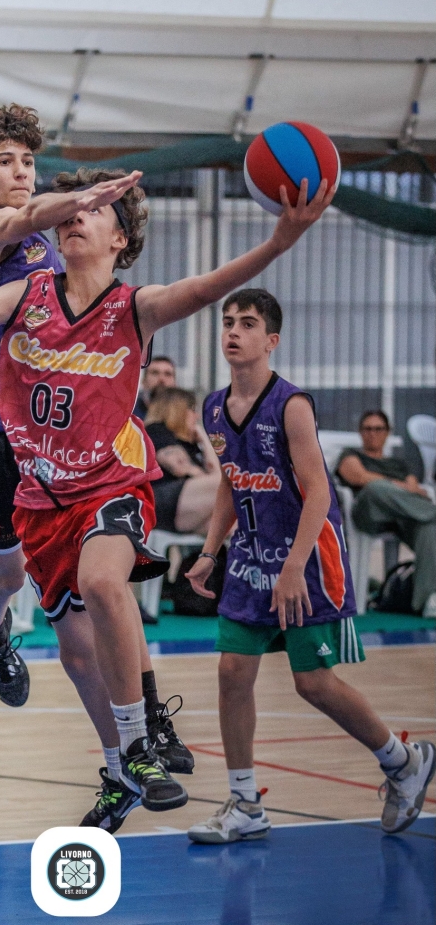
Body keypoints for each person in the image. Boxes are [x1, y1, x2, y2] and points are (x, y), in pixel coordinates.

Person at [0, 165, 335, 829]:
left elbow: (208, 286)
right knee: (77, 654)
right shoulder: (25, 293)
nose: (76, 216)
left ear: (120, 240)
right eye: (72, 209)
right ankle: (119, 769)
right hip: (40, 494)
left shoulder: (137, 307)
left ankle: (138, 743)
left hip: (110, 482)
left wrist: (280, 241)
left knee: (105, 583)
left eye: (96, 211)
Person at [0, 96, 157, 713]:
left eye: (29, 161)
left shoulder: (49, 234)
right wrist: (85, 196)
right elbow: (25, 214)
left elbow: (38, 213)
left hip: (56, 434)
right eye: (6, 163)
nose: (23, 172)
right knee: (7, 575)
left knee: (101, 580)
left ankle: (144, 721)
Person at [185, 289, 435, 843]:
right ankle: (245, 803)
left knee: (313, 683)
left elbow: (319, 490)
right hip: (252, 558)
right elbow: (231, 482)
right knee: (232, 672)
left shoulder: (291, 404)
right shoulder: (213, 407)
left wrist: (295, 566)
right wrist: (209, 551)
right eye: (228, 322)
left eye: (247, 324)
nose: (233, 332)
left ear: (271, 340)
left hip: (308, 556)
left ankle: (403, 761)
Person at [336, 411, 436, 618]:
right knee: (375, 488)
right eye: (368, 428)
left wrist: (400, 488)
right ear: (361, 432)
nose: (373, 433)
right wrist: (395, 484)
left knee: (429, 527)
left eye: (378, 429)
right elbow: (359, 478)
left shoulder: (399, 464)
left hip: (400, 518)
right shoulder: (351, 455)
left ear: (387, 432)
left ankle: (425, 601)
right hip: (367, 514)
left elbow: (415, 489)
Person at [145, 387, 221, 535]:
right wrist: (204, 477)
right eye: (192, 410)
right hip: (161, 499)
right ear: (177, 410)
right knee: (233, 484)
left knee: (232, 521)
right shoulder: (156, 430)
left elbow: (216, 473)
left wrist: (204, 439)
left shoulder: (191, 445)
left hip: (184, 503)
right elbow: (177, 466)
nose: (197, 416)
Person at [133, 355, 176, 420]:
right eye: (155, 373)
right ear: (144, 381)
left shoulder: (184, 417)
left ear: (175, 382)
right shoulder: (130, 415)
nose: (161, 379)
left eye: (167, 374)